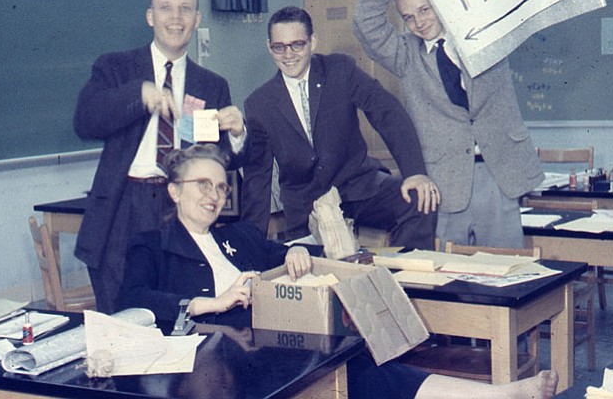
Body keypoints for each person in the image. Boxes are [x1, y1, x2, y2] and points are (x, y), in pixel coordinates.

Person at [118, 144, 558, 399]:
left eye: (219, 186)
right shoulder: (151, 244)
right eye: (202, 185)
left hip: (268, 347)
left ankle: (493, 395)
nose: (214, 195)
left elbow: (280, 253)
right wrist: (207, 303)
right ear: (174, 191)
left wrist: (293, 254)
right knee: (359, 371)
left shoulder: (239, 236)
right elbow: (129, 300)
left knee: (358, 362)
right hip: (213, 364)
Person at [73, 0, 246, 314]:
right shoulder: (116, 68)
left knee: (178, 309)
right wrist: (137, 95)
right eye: (165, 8)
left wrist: (238, 133)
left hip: (182, 209)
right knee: (121, 318)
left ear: (197, 20)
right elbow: (85, 121)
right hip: (122, 208)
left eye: (185, 10)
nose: (176, 18)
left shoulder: (213, 85)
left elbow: (220, 158)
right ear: (150, 16)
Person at [353, 0, 544, 249]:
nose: (419, 22)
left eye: (425, 10)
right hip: (443, 181)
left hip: (498, 173)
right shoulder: (406, 55)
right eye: (408, 17)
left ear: (441, 3)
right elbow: (365, 23)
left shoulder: (486, 33)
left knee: (506, 269)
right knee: (450, 274)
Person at [241, 6, 438, 249]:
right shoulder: (259, 103)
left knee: (419, 198)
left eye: (297, 44)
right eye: (279, 47)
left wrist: (415, 172)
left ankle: (406, 284)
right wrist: (249, 247)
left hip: (359, 190)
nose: (288, 54)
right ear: (269, 47)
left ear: (313, 42)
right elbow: (257, 178)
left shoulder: (340, 70)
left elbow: (387, 113)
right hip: (306, 208)